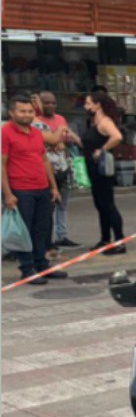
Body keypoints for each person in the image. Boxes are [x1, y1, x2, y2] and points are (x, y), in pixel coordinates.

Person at [2, 93, 66, 282]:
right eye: (22, 111)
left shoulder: (36, 132)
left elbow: (44, 160)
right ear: (12, 113)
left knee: (43, 230)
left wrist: (53, 187)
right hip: (20, 190)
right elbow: (1, 165)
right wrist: (7, 194)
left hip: (42, 188)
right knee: (25, 231)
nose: (27, 115)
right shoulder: (5, 133)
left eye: (30, 111)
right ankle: (27, 269)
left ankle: (42, 265)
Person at [34, 91, 81, 248]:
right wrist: (55, 141)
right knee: (49, 206)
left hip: (62, 165)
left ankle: (62, 235)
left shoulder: (61, 119)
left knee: (62, 203)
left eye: (53, 102)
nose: (50, 106)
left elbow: (67, 138)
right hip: (46, 168)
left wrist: (66, 142)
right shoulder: (35, 121)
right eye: (46, 102)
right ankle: (49, 240)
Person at [82, 90, 126, 253]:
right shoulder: (94, 122)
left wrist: (102, 149)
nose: (86, 106)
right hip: (93, 168)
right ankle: (105, 238)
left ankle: (120, 241)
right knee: (100, 204)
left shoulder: (105, 122)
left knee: (107, 204)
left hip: (102, 169)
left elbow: (117, 136)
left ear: (97, 105)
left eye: (88, 103)